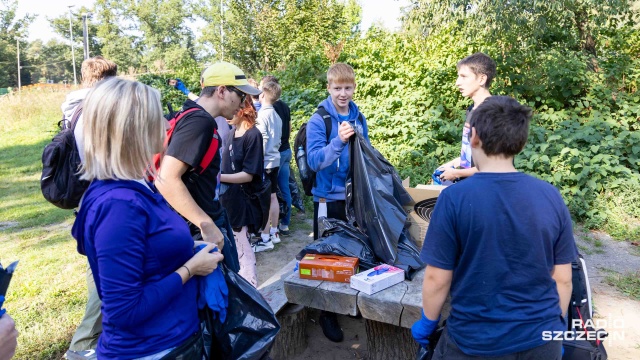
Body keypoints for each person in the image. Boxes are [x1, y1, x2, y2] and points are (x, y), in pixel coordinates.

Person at [411, 96, 577, 359]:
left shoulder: (454, 198)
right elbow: (564, 278)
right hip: (542, 341)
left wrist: (427, 322)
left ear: (474, 137)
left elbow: (437, 279)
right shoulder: (550, 195)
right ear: (520, 142)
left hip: (475, 342)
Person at [72, 77, 224, 358]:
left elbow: (145, 257)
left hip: (170, 342)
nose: (168, 125)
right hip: (150, 350)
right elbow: (125, 310)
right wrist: (191, 268)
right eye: (158, 118)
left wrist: (189, 251)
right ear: (133, 129)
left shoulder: (134, 187)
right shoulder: (118, 205)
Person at [155, 61, 261, 266]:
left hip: (200, 223)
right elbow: (166, 179)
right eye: (241, 95)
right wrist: (206, 225)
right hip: (197, 232)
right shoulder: (199, 123)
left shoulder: (195, 117)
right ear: (221, 91)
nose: (243, 103)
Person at [306, 62, 369, 343]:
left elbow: (364, 154)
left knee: (352, 253)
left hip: (353, 198)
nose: (343, 93)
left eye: (348, 87)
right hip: (327, 198)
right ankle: (325, 312)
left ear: (354, 87)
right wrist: (339, 143)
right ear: (328, 88)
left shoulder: (359, 117)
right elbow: (314, 161)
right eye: (337, 88)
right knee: (325, 257)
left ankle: (344, 304)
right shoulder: (320, 120)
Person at [60, 56, 118, 360]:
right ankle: (81, 346)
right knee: (101, 274)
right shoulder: (94, 112)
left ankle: (92, 340)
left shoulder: (78, 108)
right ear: (105, 79)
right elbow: (104, 161)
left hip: (91, 200)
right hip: (102, 200)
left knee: (97, 271)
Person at [220, 98, 265, 287]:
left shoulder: (253, 135)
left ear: (243, 109)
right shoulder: (230, 134)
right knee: (235, 250)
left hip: (245, 203)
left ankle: (252, 289)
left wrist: (218, 177)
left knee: (244, 249)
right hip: (228, 201)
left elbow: (249, 174)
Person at [436, 52, 495, 183]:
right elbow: (471, 155)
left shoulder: (493, 114)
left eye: (463, 77)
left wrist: (456, 173)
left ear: (481, 79)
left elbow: (492, 166)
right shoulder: (471, 110)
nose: (457, 83)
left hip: (485, 189)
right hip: (469, 185)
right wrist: (453, 163)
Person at [261, 75, 293, 236]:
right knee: (284, 187)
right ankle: (285, 223)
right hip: (285, 150)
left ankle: (269, 229)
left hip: (274, 154)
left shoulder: (267, 110)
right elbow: (289, 127)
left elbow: (265, 138)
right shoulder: (285, 106)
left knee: (271, 193)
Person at [253, 80, 283, 252]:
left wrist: (256, 160)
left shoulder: (262, 115)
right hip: (275, 160)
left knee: (264, 199)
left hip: (265, 163)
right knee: (272, 197)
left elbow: (262, 140)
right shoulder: (276, 116)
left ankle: (265, 238)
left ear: (262, 95)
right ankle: (274, 232)